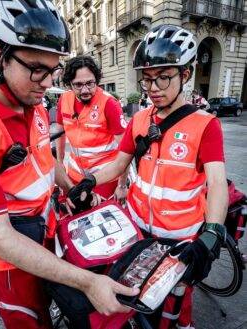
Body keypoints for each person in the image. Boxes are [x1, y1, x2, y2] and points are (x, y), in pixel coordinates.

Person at [0, 1, 138, 328]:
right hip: (10, 264)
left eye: (53, 70)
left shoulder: (30, 101)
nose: (47, 82)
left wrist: (74, 188)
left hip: (47, 234)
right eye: (37, 68)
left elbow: (44, 158)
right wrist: (88, 282)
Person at [68, 24, 228, 329]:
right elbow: (117, 164)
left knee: (178, 293)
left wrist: (211, 233)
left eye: (164, 78)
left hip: (181, 236)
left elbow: (217, 182)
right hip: (139, 228)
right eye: (148, 79)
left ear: (185, 74)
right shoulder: (140, 119)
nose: (153, 88)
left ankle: (184, 323)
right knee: (139, 295)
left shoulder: (206, 125)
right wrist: (88, 180)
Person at [56, 55, 129, 201]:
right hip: (74, 176)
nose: (85, 90)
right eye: (78, 85)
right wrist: (59, 163)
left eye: (90, 83)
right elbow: (59, 133)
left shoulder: (109, 104)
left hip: (104, 179)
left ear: (97, 80)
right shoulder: (64, 99)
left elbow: (126, 150)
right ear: (69, 84)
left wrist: (121, 185)